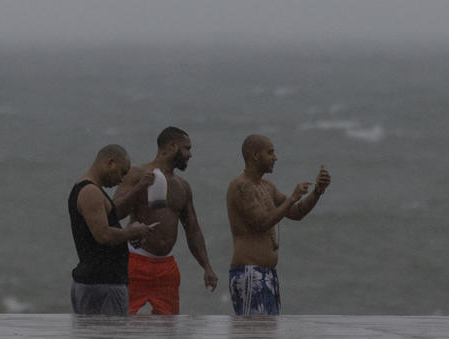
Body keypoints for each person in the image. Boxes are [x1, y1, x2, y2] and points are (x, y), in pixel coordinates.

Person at [224, 134, 330, 316]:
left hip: (268, 274)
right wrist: (292, 198)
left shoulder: (267, 186)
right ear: (255, 155)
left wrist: (317, 191)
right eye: (270, 153)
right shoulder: (241, 186)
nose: (275, 157)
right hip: (250, 273)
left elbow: (296, 213)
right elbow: (261, 223)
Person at [116, 127, 217, 314]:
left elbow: (192, 229)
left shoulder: (182, 186)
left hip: (166, 268)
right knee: (126, 325)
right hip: (136, 261)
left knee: (168, 330)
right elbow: (115, 212)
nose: (190, 155)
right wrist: (139, 188)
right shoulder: (138, 174)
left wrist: (206, 266)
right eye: (187, 148)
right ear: (172, 146)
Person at [68, 144, 153, 316]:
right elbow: (103, 235)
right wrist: (132, 232)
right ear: (110, 163)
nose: (121, 180)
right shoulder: (90, 191)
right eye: (122, 172)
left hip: (95, 282)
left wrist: (127, 236)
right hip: (102, 284)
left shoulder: (87, 189)